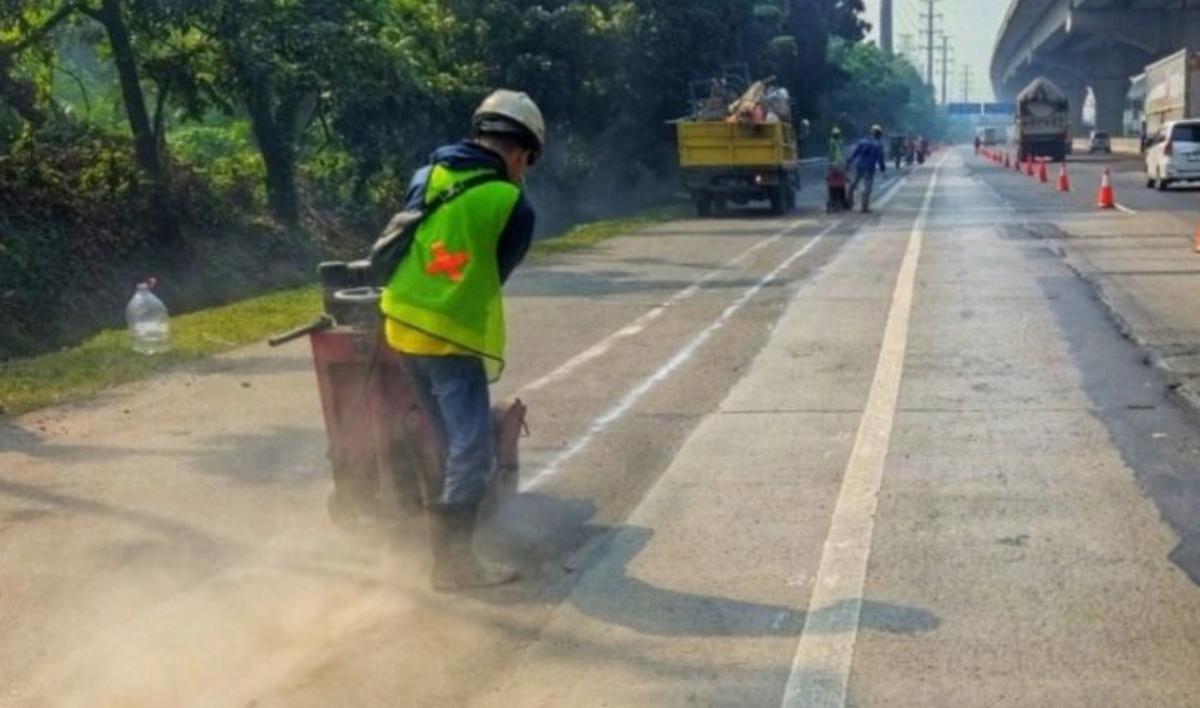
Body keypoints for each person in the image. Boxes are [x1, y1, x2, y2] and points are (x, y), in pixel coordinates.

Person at [380, 89, 543, 590]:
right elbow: (496, 271)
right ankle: (453, 566)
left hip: (400, 324)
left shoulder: (428, 175)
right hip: (449, 339)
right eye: (527, 162)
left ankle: (446, 548)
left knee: (451, 444)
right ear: (520, 153)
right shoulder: (513, 203)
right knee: (472, 453)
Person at [847, 124, 887, 213]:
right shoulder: (878, 145)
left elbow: (854, 154)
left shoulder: (862, 141)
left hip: (859, 166)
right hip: (869, 168)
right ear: (879, 134)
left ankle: (849, 201)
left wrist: (848, 163)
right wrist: (883, 170)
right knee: (867, 187)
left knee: (854, 183)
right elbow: (880, 159)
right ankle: (864, 207)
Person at [826, 126, 850, 211]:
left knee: (833, 184)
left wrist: (831, 162)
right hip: (839, 163)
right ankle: (841, 201)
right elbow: (841, 153)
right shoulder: (840, 142)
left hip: (834, 163)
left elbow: (831, 153)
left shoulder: (832, 142)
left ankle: (834, 201)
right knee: (841, 184)